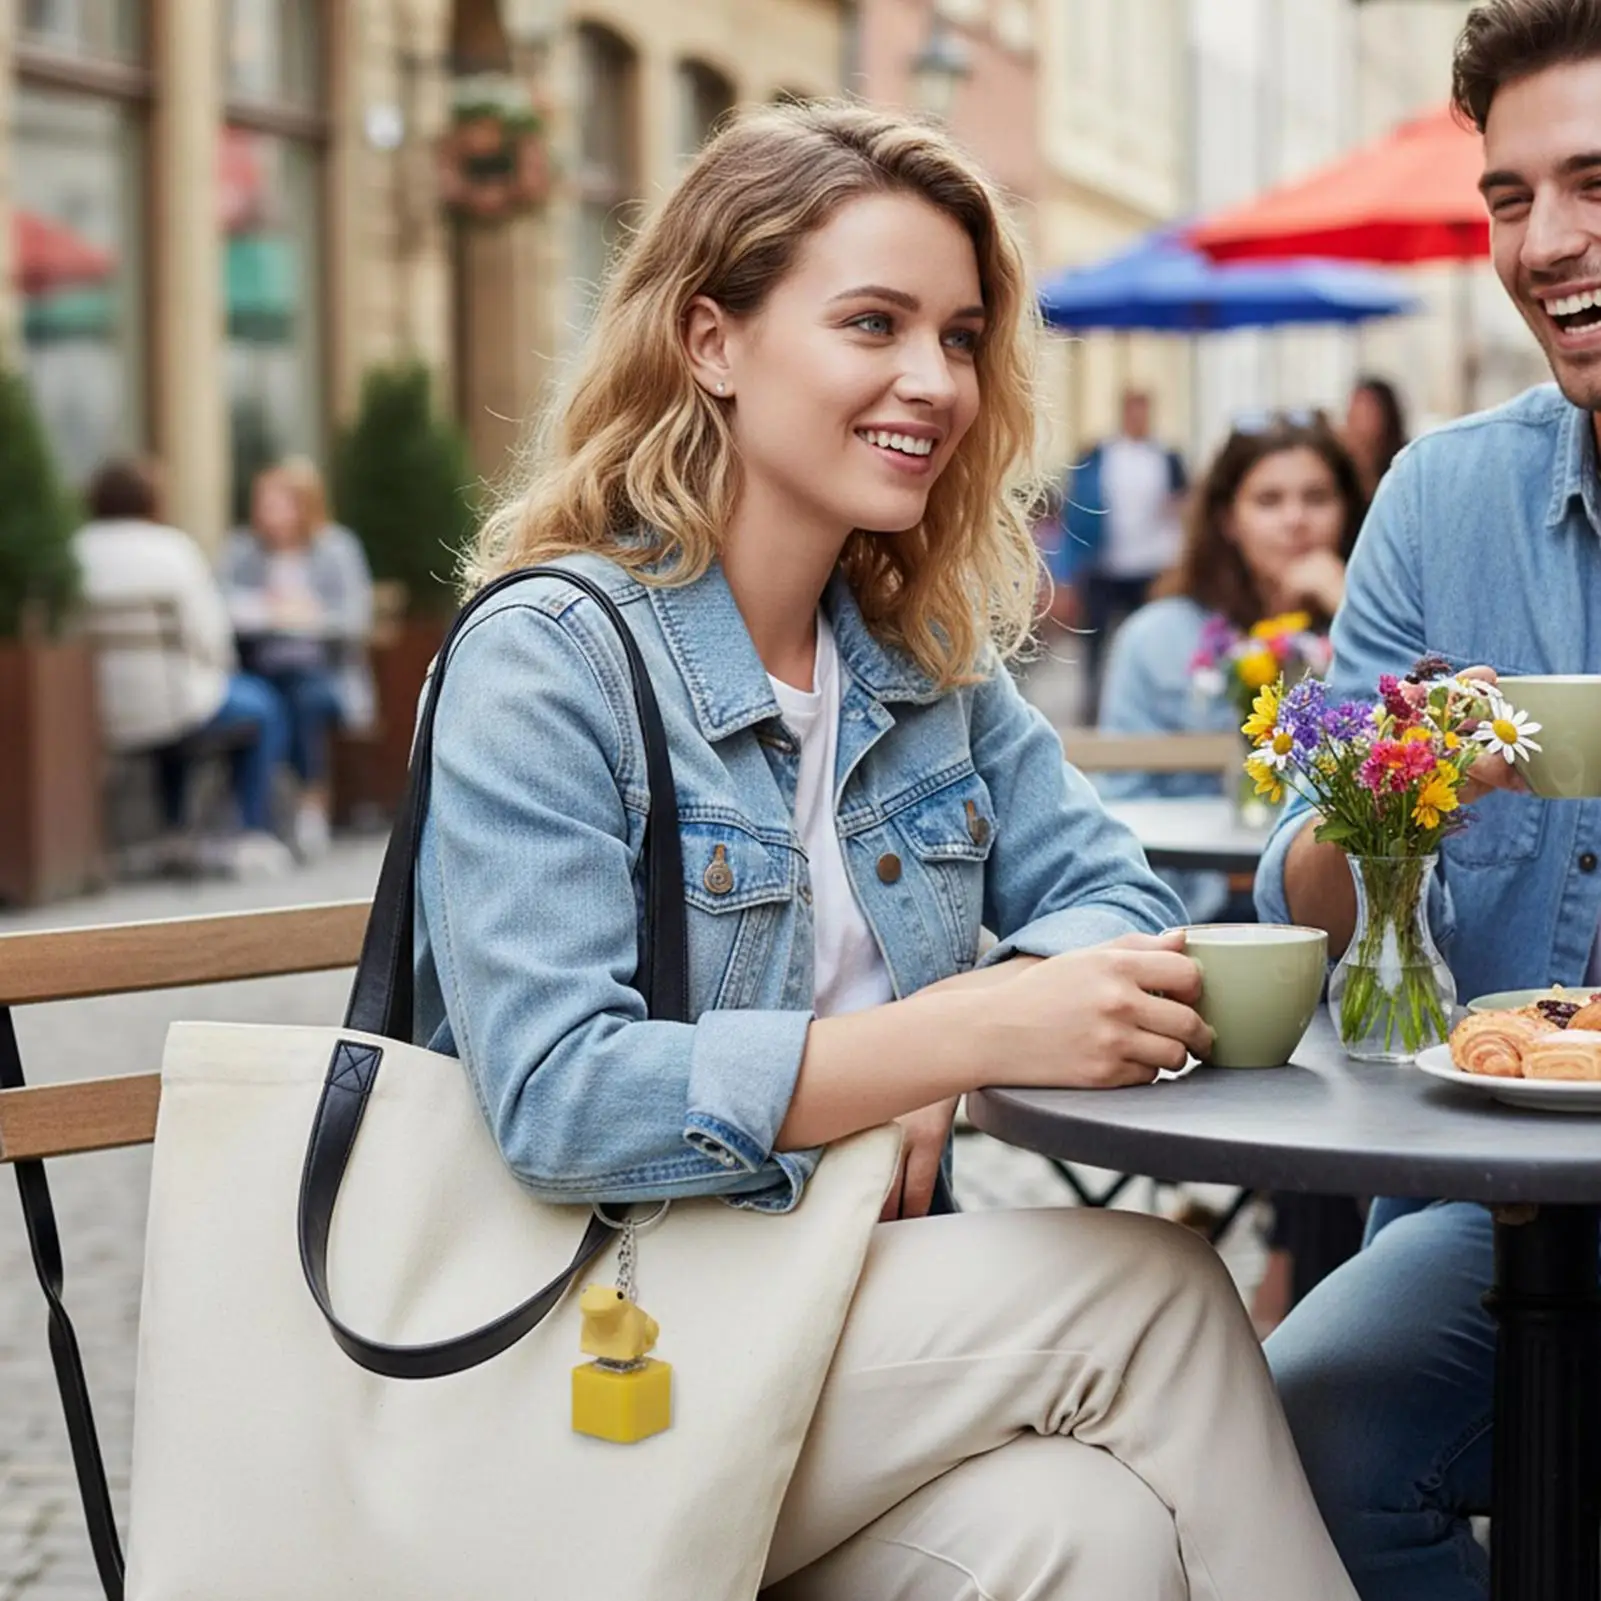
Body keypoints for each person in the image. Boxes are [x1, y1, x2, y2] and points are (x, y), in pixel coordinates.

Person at [415, 101, 1359, 1600]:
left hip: (803, 1315)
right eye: (874, 323)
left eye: (963, 335)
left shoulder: (917, 672)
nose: (935, 381)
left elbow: (1111, 893)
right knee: (1159, 1291)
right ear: (710, 341)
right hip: (581, 1360)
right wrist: (933, 1040)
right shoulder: (549, 658)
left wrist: (927, 1052)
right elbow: (556, 1094)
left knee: (1083, 1534)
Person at [1256, 5, 1601, 1596]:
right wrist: (1358, 801)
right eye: (1513, 198)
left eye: (1594, 181)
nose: (1548, 243)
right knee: (1303, 1430)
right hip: (1510, 1212)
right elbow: (1303, 898)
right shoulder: (1439, 497)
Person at [1096, 415, 1366, 1331]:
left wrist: (1341, 610)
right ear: (1225, 517)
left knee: (1336, 1003)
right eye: (1269, 499)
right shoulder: (1164, 636)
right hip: (1204, 924)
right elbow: (1120, 815)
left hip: (1321, 932)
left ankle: (1300, 1263)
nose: (1294, 520)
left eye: (1316, 497)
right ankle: (1301, 1267)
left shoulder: (1362, 627)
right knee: (1315, 1007)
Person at [73, 457, 294, 878]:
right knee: (264, 707)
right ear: (152, 501)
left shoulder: (74, 553)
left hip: (100, 714)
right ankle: (251, 833)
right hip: (175, 706)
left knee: (180, 718)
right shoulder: (172, 550)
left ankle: (173, 831)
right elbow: (212, 639)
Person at [220, 457, 375, 857]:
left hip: (323, 668)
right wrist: (266, 612)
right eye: (262, 503)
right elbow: (220, 606)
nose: (267, 514)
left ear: (304, 505)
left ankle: (305, 805)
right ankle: (282, 810)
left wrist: (309, 616)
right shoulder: (241, 551)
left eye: (277, 503)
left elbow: (355, 619)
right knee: (264, 699)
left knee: (300, 696)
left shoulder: (336, 548)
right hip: (256, 664)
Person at [1052, 388, 1189, 722]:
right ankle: (1093, 708)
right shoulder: (1099, 456)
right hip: (1105, 565)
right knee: (1095, 644)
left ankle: (1157, 709)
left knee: (1153, 640)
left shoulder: (1166, 457)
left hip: (1151, 567)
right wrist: (1066, 574)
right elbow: (1075, 514)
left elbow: (1185, 505)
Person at [1342, 375, 1409, 500]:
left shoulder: (1404, 465)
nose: (1353, 418)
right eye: (1352, 410)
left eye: (1365, 412)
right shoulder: (1342, 463)